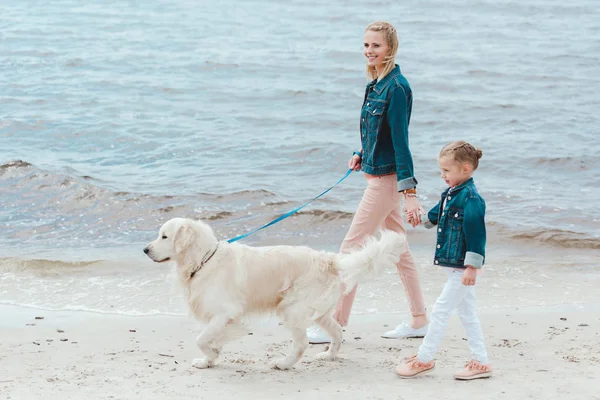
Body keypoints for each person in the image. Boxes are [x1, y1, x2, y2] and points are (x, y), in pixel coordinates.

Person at [307, 21, 429, 344]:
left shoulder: (397, 88)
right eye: (365, 46)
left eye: (376, 46)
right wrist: (363, 152)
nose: (369, 51)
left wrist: (410, 194)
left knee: (350, 249)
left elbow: (401, 143)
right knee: (400, 250)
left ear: (390, 48)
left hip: (386, 183)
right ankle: (419, 320)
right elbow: (379, 133)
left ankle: (334, 324)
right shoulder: (375, 83)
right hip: (377, 174)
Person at [395, 141, 492, 380]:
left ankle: (424, 359)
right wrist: (422, 220)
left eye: (447, 171)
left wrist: (472, 267)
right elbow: (440, 212)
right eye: (442, 170)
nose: (443, 175)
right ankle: (481, 362)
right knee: (467, 314)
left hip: (462, 268)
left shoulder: (471, 198)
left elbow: (477, 235)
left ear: (466, 169)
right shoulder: (451, 193)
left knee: (439, 311)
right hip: (455, 267)